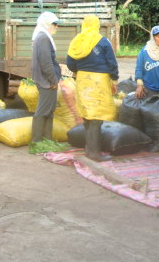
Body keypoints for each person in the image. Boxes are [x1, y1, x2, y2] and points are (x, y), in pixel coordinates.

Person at [66, 15, 119, 162]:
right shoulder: (102, 41)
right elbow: (111, 62)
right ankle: (95, 153)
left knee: (88, 116)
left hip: (83, 79)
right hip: (99, 81)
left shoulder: (77, 41)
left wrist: (78, 69)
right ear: (96, 25)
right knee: (96, 117)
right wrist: (114, 79)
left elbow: (70, 62)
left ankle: (89, 150)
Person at [30, 11, 62, 146]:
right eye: (55, 24)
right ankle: (37, 140)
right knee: (43, 111)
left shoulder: (43, 36)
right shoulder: (43, 37)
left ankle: (47, 139)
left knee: (49, 111)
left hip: (47, 80)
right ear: (47, 24)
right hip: (46, 81)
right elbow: (46, 62)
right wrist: (53, 80)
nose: (56, 27)